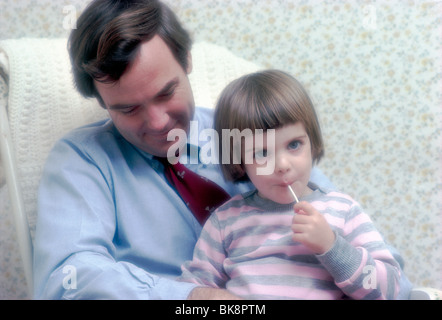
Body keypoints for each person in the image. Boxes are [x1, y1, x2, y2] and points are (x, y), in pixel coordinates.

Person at [33, 0, 411, 299]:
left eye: (167, 92)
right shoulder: (82, 160)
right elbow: (67, 280)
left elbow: (388, 280)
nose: (159, 122)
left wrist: (339, 255)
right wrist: (197, 298)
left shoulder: (249, 129)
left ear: (187, 63)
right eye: (128, 108)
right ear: (101, 101)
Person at [179, 70, 405, 299]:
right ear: (239, 162)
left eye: (294, 144)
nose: (282, 165)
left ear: (312, 142)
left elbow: (388, 289)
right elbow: (192, 290)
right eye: (261, 153)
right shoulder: (225, 221)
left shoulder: (343, 210)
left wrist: (332, 247)